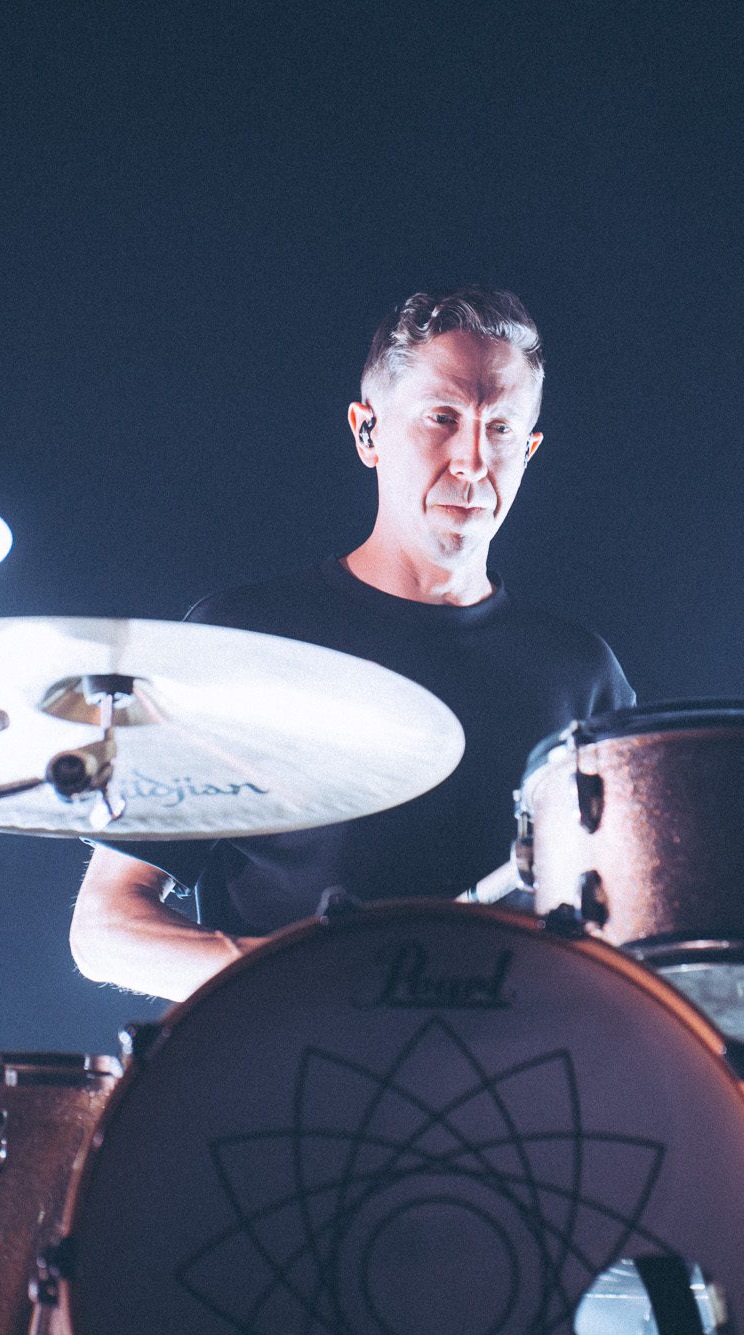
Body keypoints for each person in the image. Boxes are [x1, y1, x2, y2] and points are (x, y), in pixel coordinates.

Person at [70, 286, 634, 1001]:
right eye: (442, 418)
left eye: (500, 430)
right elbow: (105, 925)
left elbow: (632, 934)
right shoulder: (244, 640)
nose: (471, 460)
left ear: (529, 448)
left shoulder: (579, 672)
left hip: (513, 1090)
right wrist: (301, 978)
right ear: (367, 433)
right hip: (285, 1079)